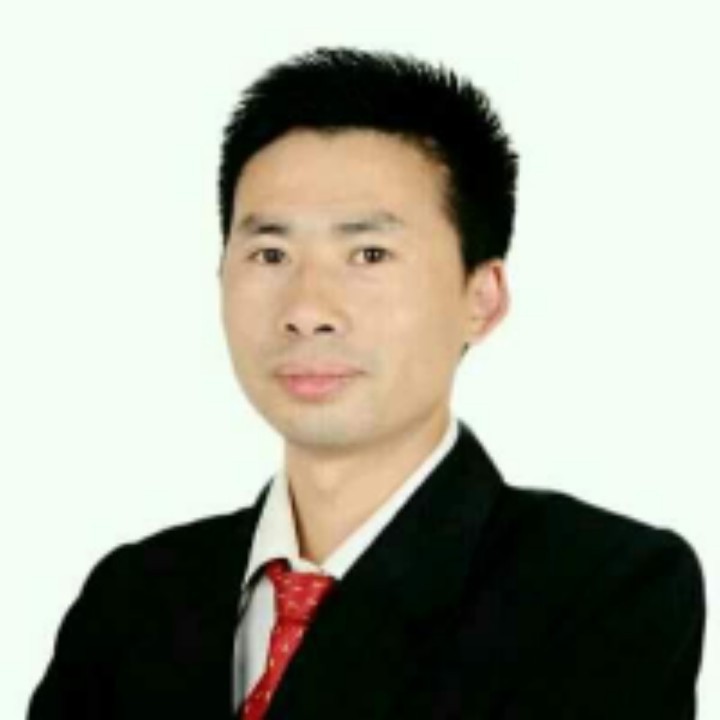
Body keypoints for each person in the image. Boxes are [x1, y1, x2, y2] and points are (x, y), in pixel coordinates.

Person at [28, 46, 706, 720]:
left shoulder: (602, 588)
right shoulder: (132, 599)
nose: (307, 310)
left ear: (482, 297)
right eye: (270, 253)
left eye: (369, 254)